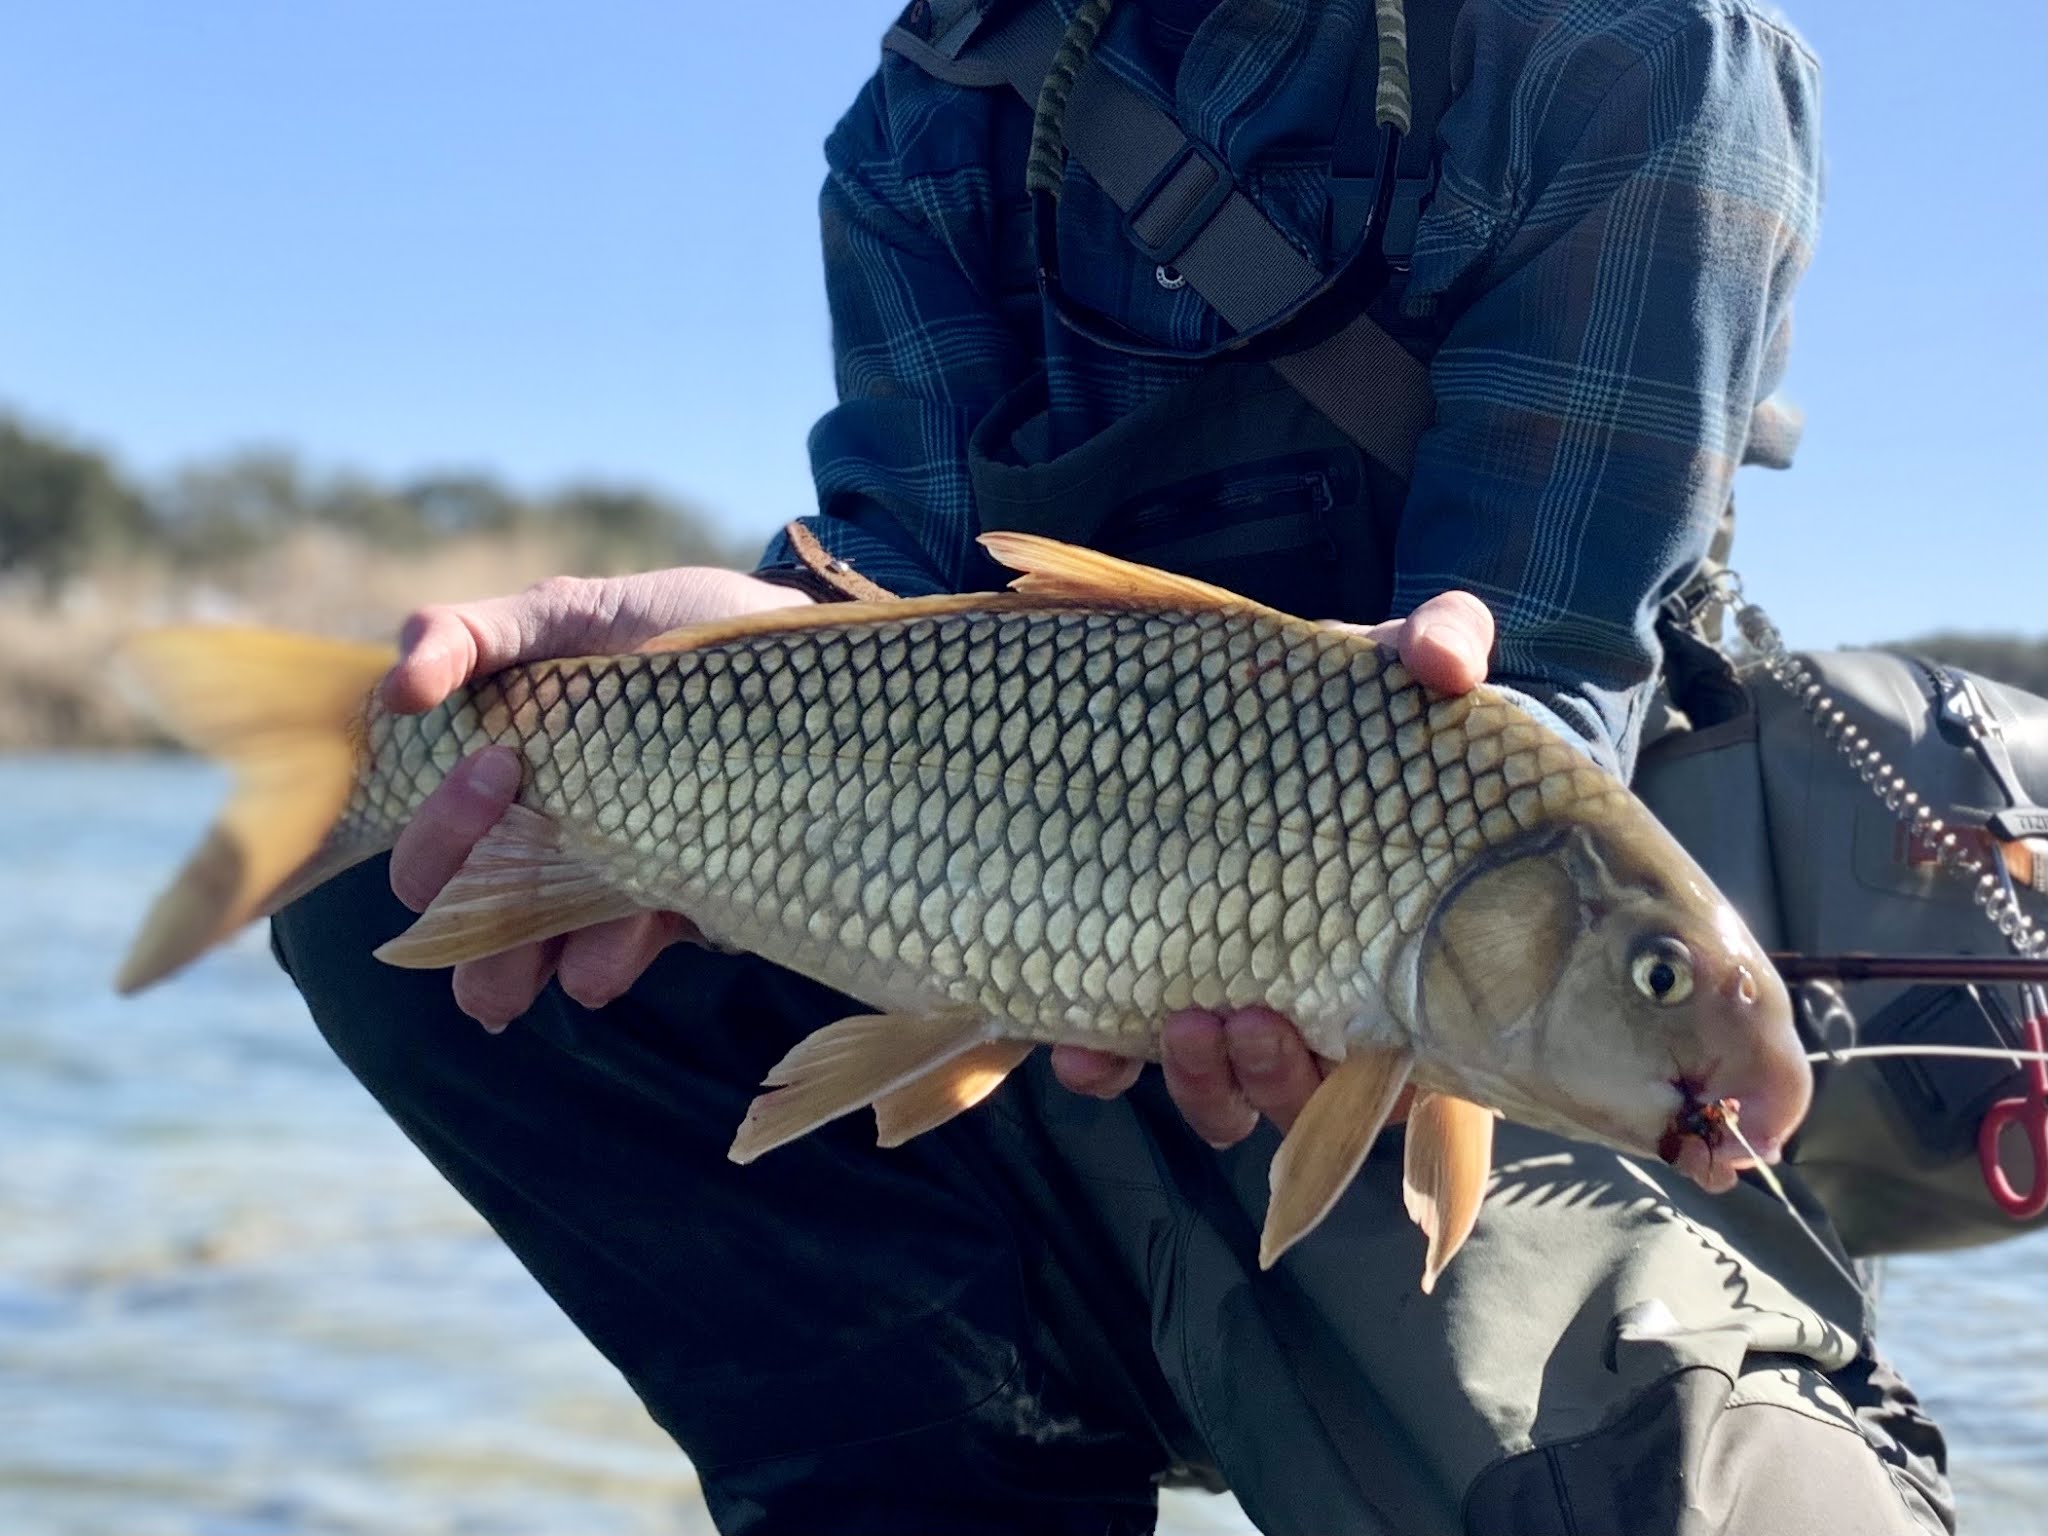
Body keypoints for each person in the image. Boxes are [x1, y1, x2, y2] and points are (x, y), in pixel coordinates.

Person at [270, 1, 1958, 1531]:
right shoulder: (940, 85)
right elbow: (911, 586)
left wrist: (1342, 886)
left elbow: (1542, 671)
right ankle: (949, 1464)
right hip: (1027, 914)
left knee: (1710, 1507)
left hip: (1446, 1018)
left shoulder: (1636, 44)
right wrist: (729, 675)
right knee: (389, 894)